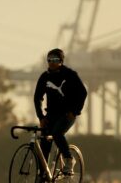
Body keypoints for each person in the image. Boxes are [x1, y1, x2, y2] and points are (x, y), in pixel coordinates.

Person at [33, 48, 87, 177]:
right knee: (44, 141)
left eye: (55, 59)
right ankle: (43, 174)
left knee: (57, 133)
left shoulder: (70, 75)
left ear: (61, 61)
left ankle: (69, 159)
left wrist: (75, 111)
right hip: (51, 114)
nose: (52, 62)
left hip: (67, 114)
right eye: (49, 59)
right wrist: (41, 117)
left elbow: (83, 93)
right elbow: (37, 98)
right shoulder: (45, 77)